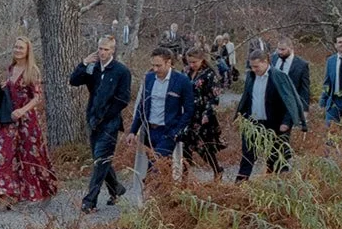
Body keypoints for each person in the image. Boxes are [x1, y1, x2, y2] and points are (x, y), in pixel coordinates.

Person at [0, 36, 58, 209]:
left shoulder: (33, 71)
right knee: (4, 155)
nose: (17, 50)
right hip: (8, 120)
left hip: (27, 121)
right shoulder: (11, 68)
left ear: (27, 51)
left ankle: (46, 189)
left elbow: (37, 97)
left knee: (32, 157)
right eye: (15, 47)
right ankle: (5, 197)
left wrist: (22, 111)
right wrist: (4, 86)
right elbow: (13, 89)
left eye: (21, 48)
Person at [69, 35, 132, 214]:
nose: (102, 52)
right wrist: (83, 63)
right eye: (100, 49)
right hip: (93, 118)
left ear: (112, 50)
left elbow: (123, 99)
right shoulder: (93, 68)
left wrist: (106, 116)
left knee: (100, 160)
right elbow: (73, 81)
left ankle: (89, 201)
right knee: (101, 159)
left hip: (110, 122)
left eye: (106, 49)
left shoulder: (121, 71)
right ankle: (116, 189)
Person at [125, 47, 194, 187]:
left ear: (169, 63)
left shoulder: (181, 81)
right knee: (158, 166)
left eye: (158, 65)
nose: (155, 69)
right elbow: (141, 107)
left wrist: (176, 132)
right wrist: (133, 130)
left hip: (168, 131)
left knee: (157, 165)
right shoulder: (149, 78)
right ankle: (164, 198)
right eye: (153, 65)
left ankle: (150, 189)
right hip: (150, 131)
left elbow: (189, 111)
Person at [235, 51, 300, 180]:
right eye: (251, 66)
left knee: (276, 157)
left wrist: (286, 122)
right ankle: (240, 185)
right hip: (253, 124)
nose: (254, 69)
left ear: (266, 62)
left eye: (256, 66)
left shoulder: (279, 77)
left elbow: (290, 100)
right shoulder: (251, 76)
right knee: (247, 155)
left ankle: (278, 185)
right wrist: (241, 118)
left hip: (274, 124)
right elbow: (247, 98)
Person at [180, 47, 226, 177]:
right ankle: (185, 175)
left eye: (194, 62)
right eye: (189, 62)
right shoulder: (185, 72)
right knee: (184, 145)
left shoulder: (209, 74)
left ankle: (217, 169)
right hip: (187, 114)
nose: (191, 65)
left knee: (203, 146)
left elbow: (214, 97)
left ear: (202, 59)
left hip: (202, 115)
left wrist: (207, 114)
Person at [271, 37, 312, 126]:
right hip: (272, 103)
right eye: (278, 49)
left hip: (289, 104)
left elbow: (304, 89)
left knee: (284, 134)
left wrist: (304, 109)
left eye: (283, 49)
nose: (280, 52)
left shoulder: (301, 65)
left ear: (291, 48)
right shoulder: (273, 59)